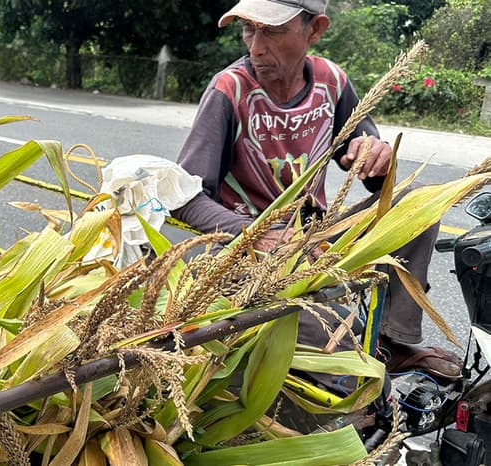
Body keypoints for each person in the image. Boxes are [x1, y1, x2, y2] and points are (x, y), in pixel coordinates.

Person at [172, 0, 461, 380]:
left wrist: (376, 155)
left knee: (418, 203)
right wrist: (254, 235)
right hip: (252, 251)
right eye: (248, 29)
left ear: (315, 28)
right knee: (336, 348)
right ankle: (340, 382)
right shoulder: (230, 90)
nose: (255, 46)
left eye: (272, 31)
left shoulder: (331, 82)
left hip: (316, 235)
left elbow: (372, 171)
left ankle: (394, 342)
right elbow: (185, 196)